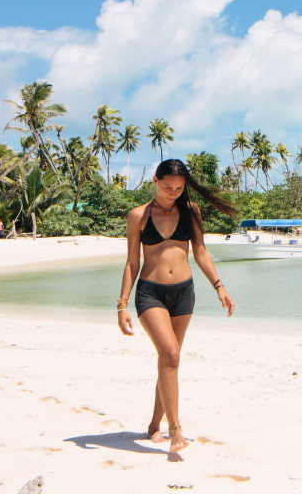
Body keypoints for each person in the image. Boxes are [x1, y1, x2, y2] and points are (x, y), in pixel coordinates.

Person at [116, 159, 237, 453]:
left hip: (184, 293)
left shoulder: (191, 211)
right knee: (170, 355)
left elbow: (200, 252)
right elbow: (133, 262)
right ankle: (176, 430)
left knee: (169, 362)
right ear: (154, 180)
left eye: (179, 188)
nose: (173, 192)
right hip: (150, 294)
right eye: (168, 187)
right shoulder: (138, 216)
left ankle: (154, 425)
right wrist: (121, 305)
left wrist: (219, 287)